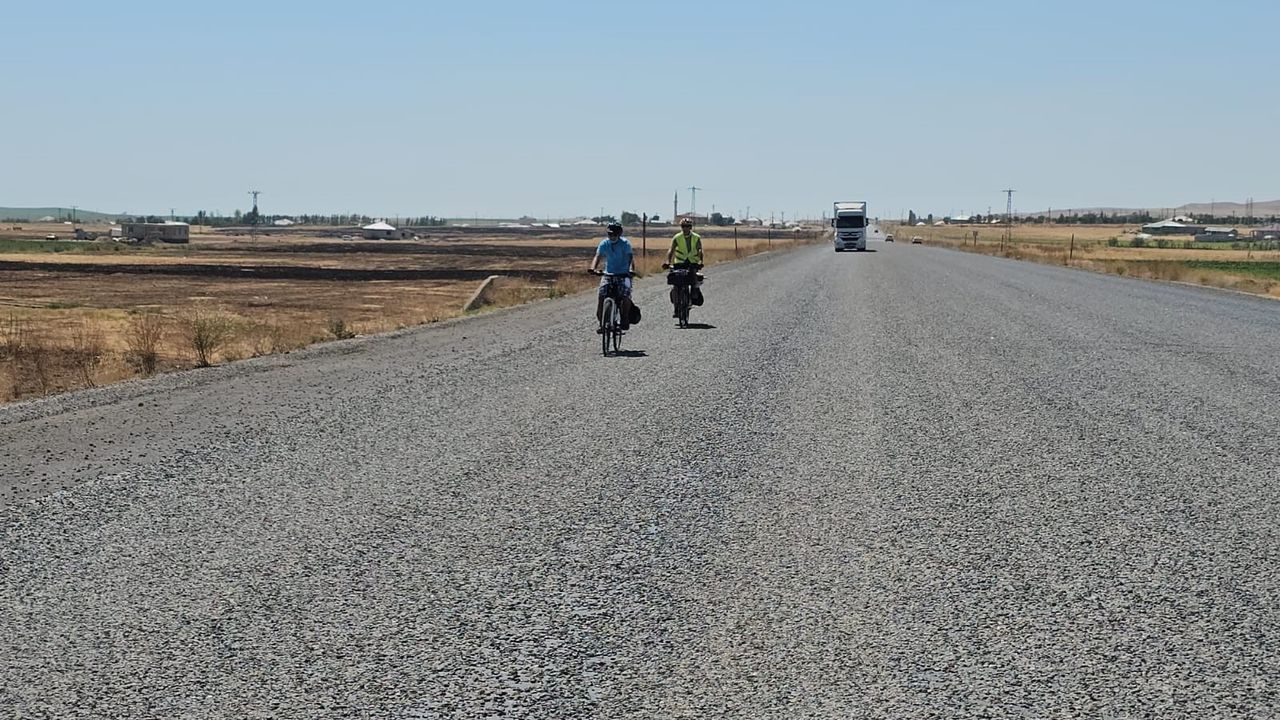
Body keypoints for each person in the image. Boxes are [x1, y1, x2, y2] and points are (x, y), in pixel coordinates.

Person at [589, 222, 635, 331]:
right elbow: (598, 256)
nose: (612, 236)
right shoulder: (604, 243)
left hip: (623, 274)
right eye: (610, 234)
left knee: (625, 295)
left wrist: (631, 270)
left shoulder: (625, 244)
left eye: (614, 234)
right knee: (601, 296)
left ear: (619, 234)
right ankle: (602, 323)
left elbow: (630, 258)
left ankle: (624, 318)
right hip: (608, 274)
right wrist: (593, 268)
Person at [666, 217, 704, 315]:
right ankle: (676, 307)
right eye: (683, 226)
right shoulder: (677, 237)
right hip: (679, 263)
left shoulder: (696, 237)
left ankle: (693, 296)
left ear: (691, 227)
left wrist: (701, 261)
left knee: (693, 281)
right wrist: (668, 261)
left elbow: (700, 250)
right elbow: (671, 250)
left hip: (692, 262)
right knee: (676, 284)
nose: (685, 228)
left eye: (687, 226)